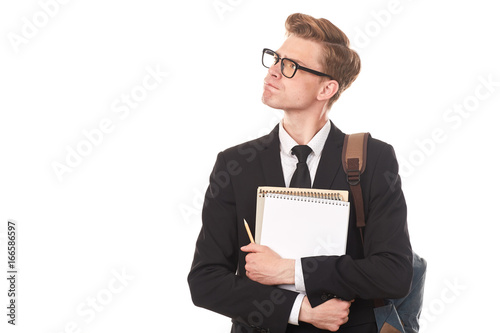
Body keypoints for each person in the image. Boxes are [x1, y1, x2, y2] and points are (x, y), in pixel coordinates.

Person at [188, 13, 413, 333]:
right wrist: (299, 310)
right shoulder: (235, 163)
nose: (274, 71)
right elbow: (206, 280)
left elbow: (393, 274)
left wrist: (291, 271)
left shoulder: (373, 159)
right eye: (275, 59)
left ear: (326, 88)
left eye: (290, 65)